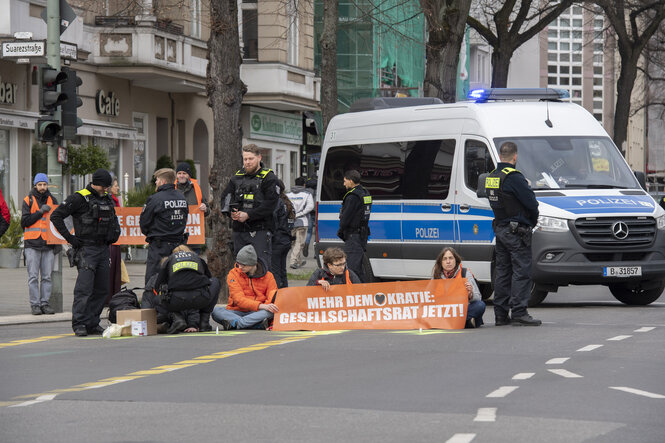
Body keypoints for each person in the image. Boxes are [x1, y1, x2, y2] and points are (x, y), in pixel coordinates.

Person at [51, 169, 121, 336]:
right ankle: (80, 323)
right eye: (104, 186)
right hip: (87, 250)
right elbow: (56, 216)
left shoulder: (106, 198)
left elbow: (113, 220)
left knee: (102, 289)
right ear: (96, 183)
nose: (106, 189)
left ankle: (92, 323)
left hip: (103, 249)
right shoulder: (79, 198)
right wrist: (70, 238)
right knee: (84, 289)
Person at [485, 141, 541, 326]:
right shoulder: (514, 177)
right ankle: (519, 312)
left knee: (503, 272)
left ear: (501, 156)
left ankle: (500, 315)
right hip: (516, 232)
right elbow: (532, 203)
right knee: (521, 271)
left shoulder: (492, 176)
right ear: (515, 157)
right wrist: (532, 221)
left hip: (500, 229)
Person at [222, 144, 279, 269]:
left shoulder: (269, 178)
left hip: (260, 231)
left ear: (259, 157)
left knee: (260, 268)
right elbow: (226, 198)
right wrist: (231, 212)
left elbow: (270, 204)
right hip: (239, 231)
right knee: (240, 269)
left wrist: (248, 215)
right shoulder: (237, 177)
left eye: (250, 159)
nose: (247, 162)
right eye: (245, 159)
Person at [142, 245, 219, 334]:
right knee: (215, 282)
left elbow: (158, 285)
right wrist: (193, 324)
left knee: (158, 297)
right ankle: (203, 323)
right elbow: (209, 279)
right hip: (198, 299)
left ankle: (176, 319)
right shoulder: (198, 260)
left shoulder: (168, 262)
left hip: (172, 306)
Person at [211, 245, 278, 330]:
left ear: (253, 264)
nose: (240, 267)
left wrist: (272, 323)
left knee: (270, 311)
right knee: (216, 311)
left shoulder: (269, 276)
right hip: (236, 311)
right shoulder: (233, 274)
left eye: (244, 265)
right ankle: (254, 325)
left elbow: (272, 299)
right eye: (239, 263)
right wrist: (261, 306)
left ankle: (236, 324)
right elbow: (239, 300)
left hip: (257, 312)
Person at [140, 168, 189, 285]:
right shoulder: (182, 198)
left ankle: (153, 302)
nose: (155, 183)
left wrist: (153, 233)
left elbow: (144, 222)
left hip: (159, 247)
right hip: (178, 246)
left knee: (154, 280)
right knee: (174, 279)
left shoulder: (155, 199)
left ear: (163, 182)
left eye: (157, 180)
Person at [21, 173, 59, 315]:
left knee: (47, 277)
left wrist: (57, 244)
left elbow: (58, 223)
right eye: (40, 185)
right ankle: (35, 305)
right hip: (32, 244)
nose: (42, 187)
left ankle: (45, 303)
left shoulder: (53, 200)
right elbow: (24, 222)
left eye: (44, 184)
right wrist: (40, 212)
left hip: (48, 244)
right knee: (33, 277)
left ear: (47, 185)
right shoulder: (28, 200)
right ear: (35, 185)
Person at [431, 247, 485, 328]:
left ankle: (448, 323)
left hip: (461, 310)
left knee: (480, 305)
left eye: (451, 258)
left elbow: (478, 298)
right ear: (441, 262)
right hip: (444, 311)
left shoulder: (465, 273)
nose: (448, 262)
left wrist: (470, 294)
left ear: (456, 260)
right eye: (445, 259)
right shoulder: (436, 276)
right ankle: (467, 322)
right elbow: (429, 300)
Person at [337, 170, 372, 282]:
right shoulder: (365, 193)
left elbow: (345, 218)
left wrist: (341, 230)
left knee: (352, 269)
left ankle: (356, 294)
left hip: (353, 236)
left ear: (351, 181)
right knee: (358, 267)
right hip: (362, 234)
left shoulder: (352, 196)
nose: (344, 184)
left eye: (345, 181)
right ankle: (362, 291)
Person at [174, 162, 210, 253]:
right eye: (179, 173)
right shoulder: (171, 189)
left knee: (193, 266)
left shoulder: (197, 189)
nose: (181, 176)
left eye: (184, 173)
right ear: (176, 175)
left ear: (189, 175)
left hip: (194, 241)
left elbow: (208, 210)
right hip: (176, 240)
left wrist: (205, 208)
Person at [271, 180, 294, 288]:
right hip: (286, 239)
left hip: (277, 240)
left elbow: (274, 221)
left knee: (275, 270)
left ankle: (278, 294)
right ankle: (285, 292)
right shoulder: (287, 202)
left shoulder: (276, 202)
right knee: (282, 269)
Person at [287, 177, 314, 269]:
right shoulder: (307, 194)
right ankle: (293, 261)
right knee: (300, 243)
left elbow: (285, 207)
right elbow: (310, 207)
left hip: (290, 222)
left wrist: (292, 215)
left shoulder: (288, 194)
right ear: (304, 185)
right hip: (302, 222)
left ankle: (298, 261)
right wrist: (300, 214)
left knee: (294, 242)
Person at [108, 177, 122, 304]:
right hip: (111, 243)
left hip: (115, 242)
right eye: (116, 185)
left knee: (115, 271)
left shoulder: (115, 201)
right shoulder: (110, 201)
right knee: (111, 271)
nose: (118, 188)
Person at [302, 176, 317, 257]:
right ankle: (315, 253)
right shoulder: (317, 192)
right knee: (317, 233)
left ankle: (306, 243)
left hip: (308, 213)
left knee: (309, 231)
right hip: (316, 212)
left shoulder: (305, 192)